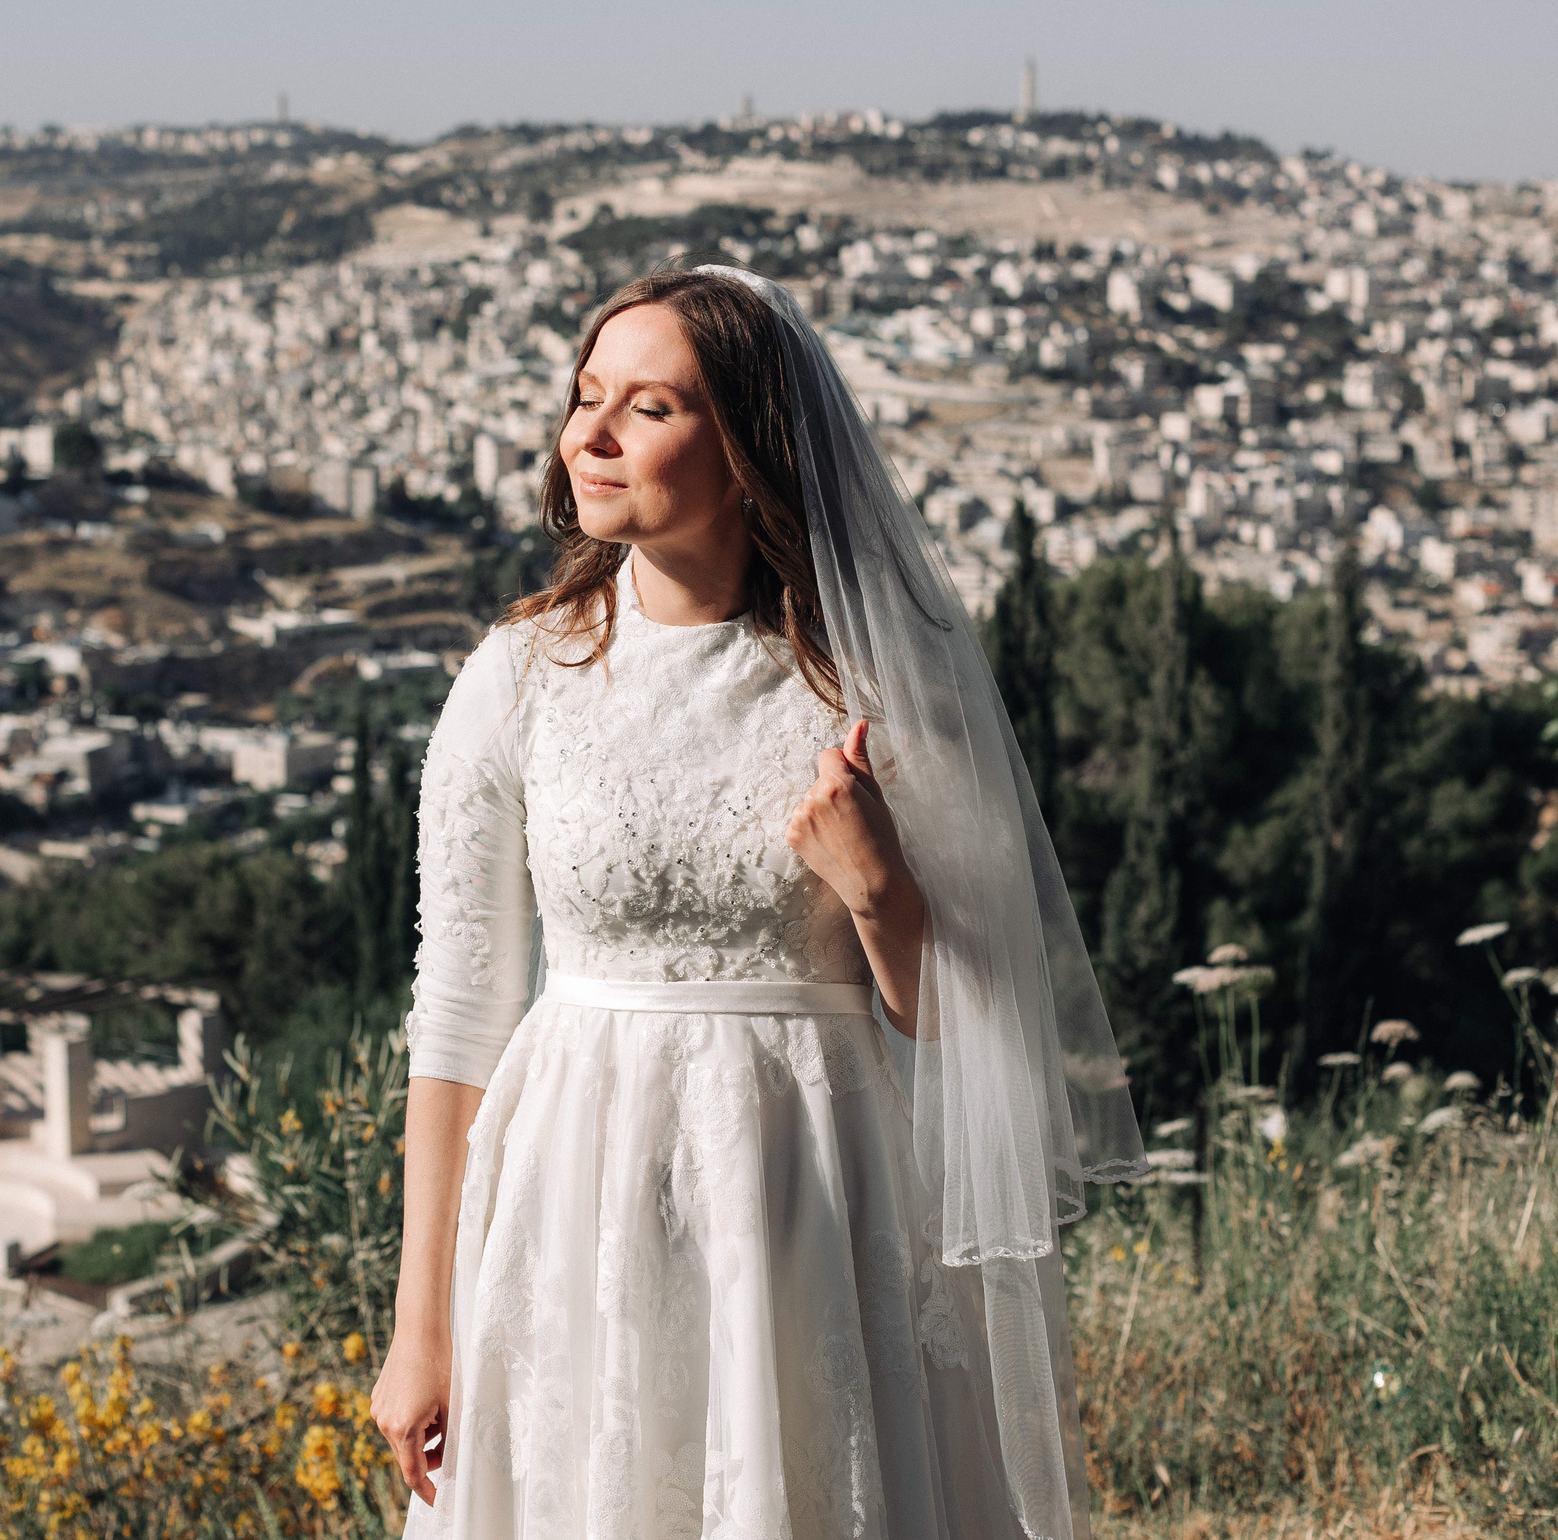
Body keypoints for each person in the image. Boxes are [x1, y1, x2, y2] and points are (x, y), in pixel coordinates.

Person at [370, 265, 1147, 1539]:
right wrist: (422, 1330)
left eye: (649, 407)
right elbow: (455, 1019)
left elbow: (960, 1022)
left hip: (811, 1204)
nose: (591, 436)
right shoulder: (516, 678)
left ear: (747, 453)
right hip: (571, 1197)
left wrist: (878, 887)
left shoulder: (867, 688)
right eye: (585, 398)